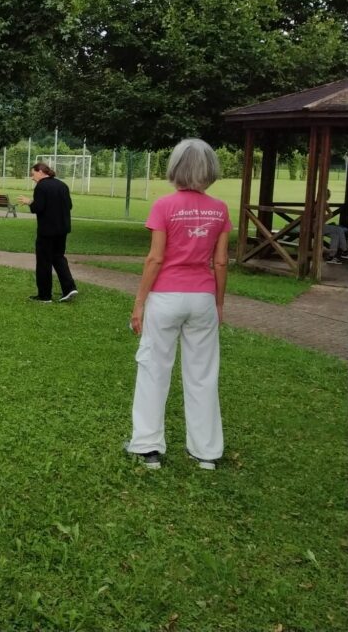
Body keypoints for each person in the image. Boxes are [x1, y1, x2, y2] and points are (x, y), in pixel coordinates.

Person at [125, 139, 231, 471]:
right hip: (202, 297)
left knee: (154, 368)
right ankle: (205, 453)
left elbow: (155, 258)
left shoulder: (164, 206)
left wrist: (139, 303)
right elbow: (222, 262)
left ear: (175, 167)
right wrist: (218, 304)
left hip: (166, 297)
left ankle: (148, 447)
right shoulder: (220, 209)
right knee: (202, 373)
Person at [16, 162, 78, 303]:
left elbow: (38, 208)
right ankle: (69, 288)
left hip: (47, 231)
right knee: (58, 257)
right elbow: (69, 205)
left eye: (33, 174)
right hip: (62, 229)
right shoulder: (62, 185)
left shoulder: (41, 186)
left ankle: (44, 295)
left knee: (44, 262)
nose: (32, 178)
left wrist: (29, 202)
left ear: (40, 172)